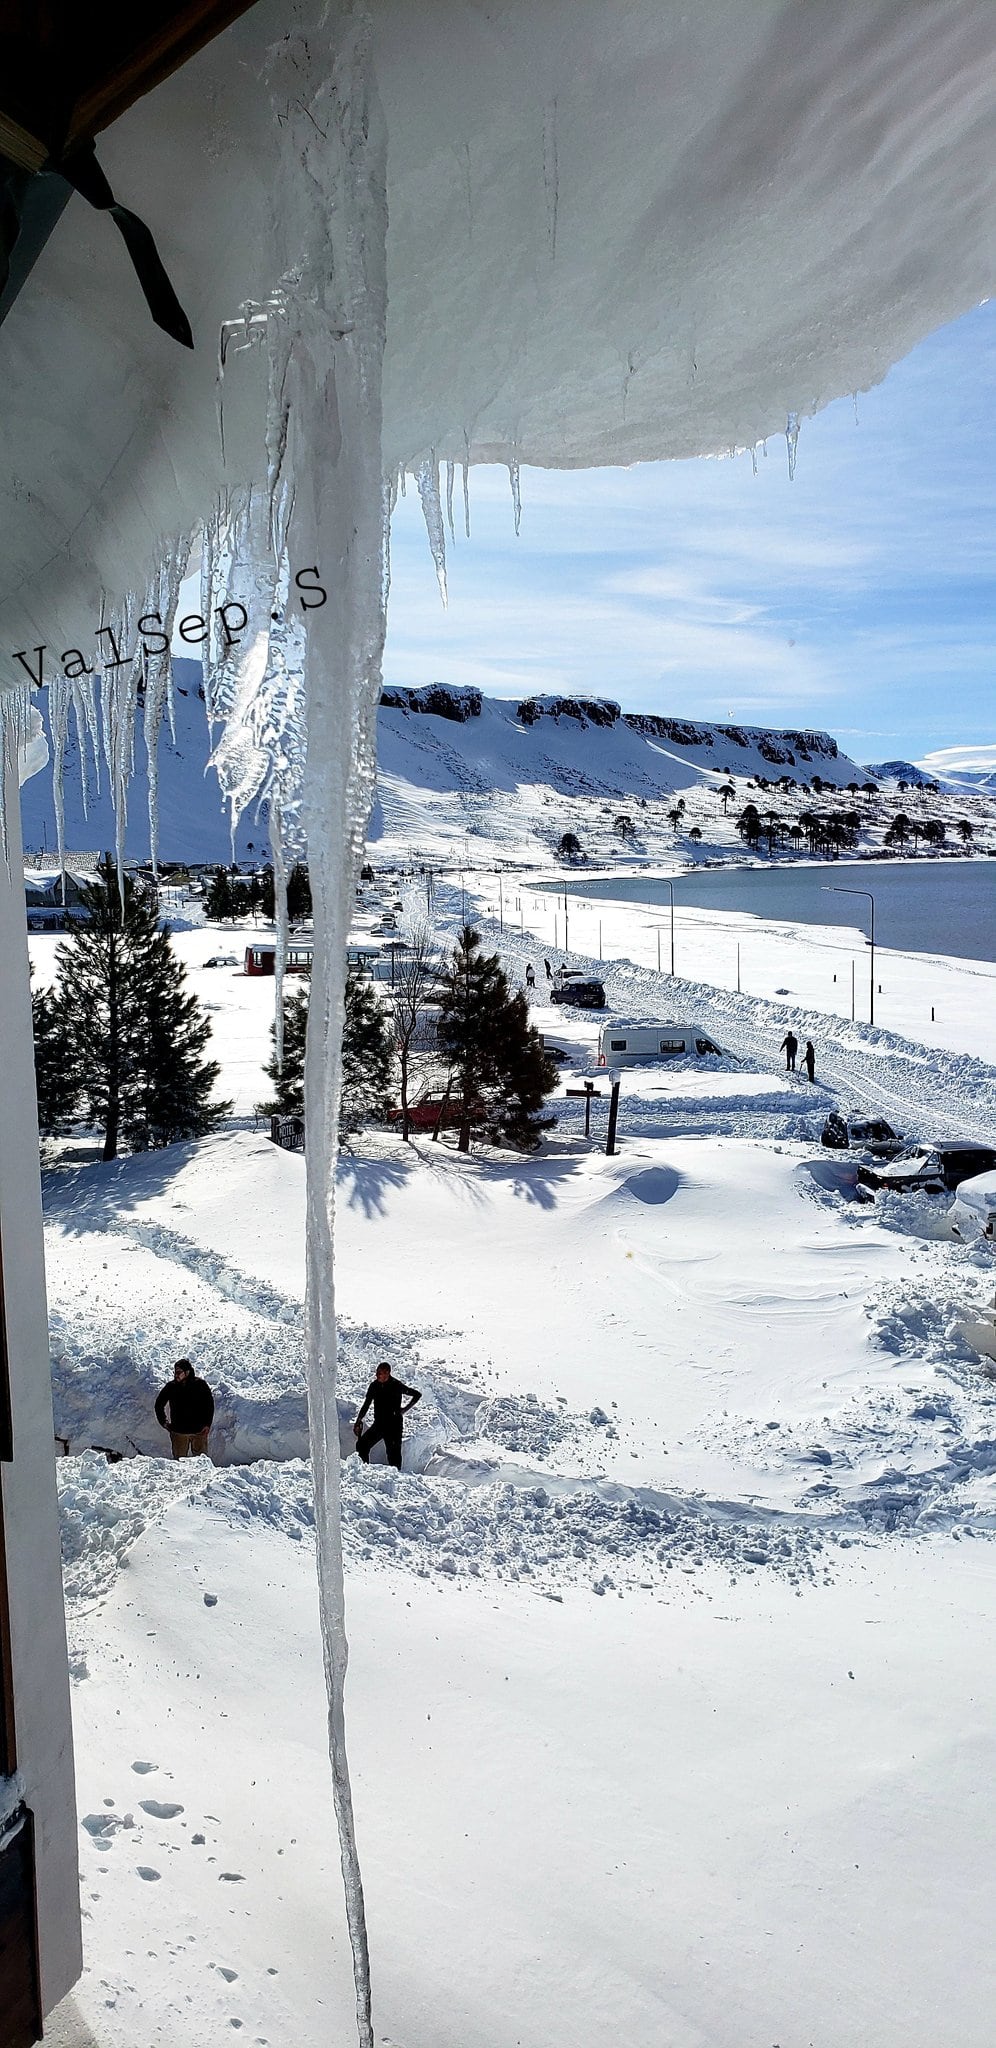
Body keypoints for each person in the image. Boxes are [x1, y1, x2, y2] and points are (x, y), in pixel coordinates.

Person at [353, 1361, 421, 1471]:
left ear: (387, 1373)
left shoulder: (396, 1385)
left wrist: (404, 1410)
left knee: (393, 1455)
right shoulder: (374, 1386)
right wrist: (359, 1420)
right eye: (377, 1373)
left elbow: (417, 1394)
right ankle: (363, 1471)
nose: (377, 1375)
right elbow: (366, 1404)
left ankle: (396, 1479)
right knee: (362, 1445)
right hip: (379, 1424)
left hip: (394, 1426)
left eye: (380, 1373)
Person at [155, 1358, 215, 1459]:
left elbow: (209, 1405)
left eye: (179, 1372)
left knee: (201, 1463)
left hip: (199, 1432)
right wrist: (164, 1422)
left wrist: (207, 1424)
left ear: (187, 1372)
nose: (176, 1375)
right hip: (179, 1432)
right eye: (175, 1372)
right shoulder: (171, 1386)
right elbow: (159, 1405)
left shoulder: (200, 1385)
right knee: (179, 1464)